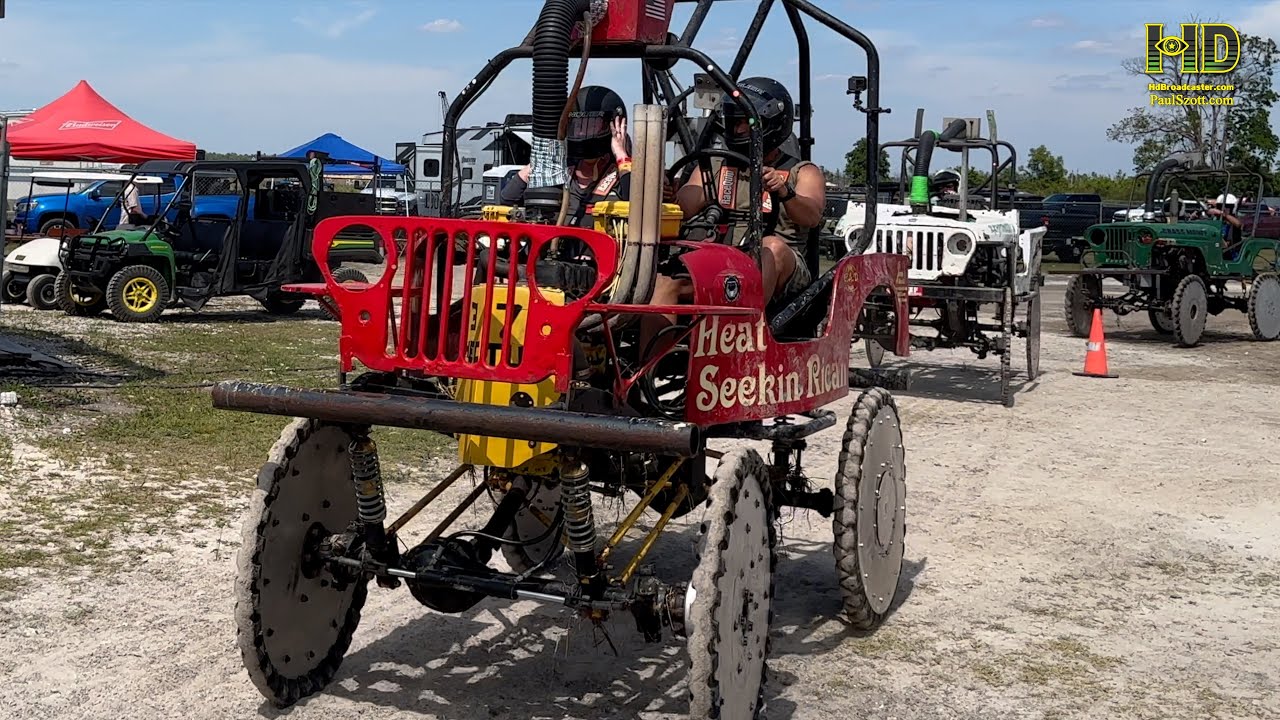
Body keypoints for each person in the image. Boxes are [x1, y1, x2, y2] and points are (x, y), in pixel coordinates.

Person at [667, 76, 824, 304]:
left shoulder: (802, 172)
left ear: (771, 124)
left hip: (784, 270)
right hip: (724, 257)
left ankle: (745, 323)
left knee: (771, 248)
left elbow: (811, 217)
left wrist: (785, 192)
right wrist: (668, 194)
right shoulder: (714, 166)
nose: (738, 129)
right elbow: (684, 206)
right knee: (665, 283)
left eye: (745, 122)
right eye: (734, 122)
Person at [499, 85, 633, 225]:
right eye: (578, 126)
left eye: (592, 126)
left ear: (615, 126)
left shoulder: (623, 175)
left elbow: (638, 208)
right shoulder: (559, 172)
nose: (582, 133)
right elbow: (507, 200)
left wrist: (621, 155)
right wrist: (540, 162)